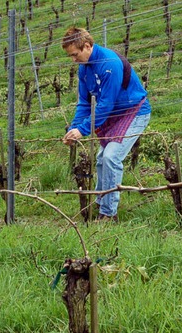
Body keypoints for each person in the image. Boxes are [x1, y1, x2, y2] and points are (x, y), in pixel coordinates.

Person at [62, 27, 151, 222]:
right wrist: (74, 128)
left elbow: (106, 103)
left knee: (111, 157)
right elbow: (85, 102)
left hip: (133, 112)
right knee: (102, 158)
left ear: (87, 46)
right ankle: (101, 203)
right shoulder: (84, 68)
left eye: (75, 55)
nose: (73, 60)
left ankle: (109, 214)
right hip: (113, 114)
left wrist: (83, 130)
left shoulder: (109, 64)